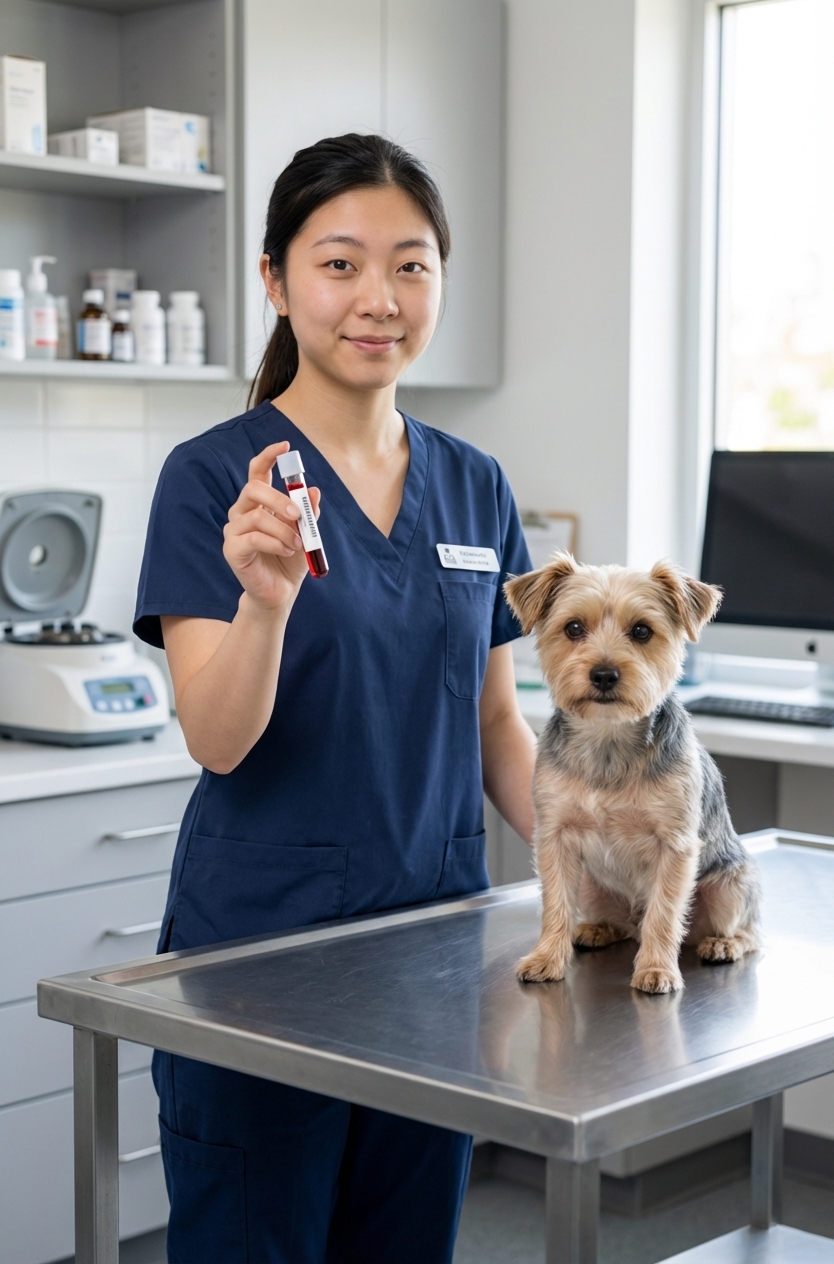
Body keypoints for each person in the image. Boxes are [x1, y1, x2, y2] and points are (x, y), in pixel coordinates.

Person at [134, 132, 537, 1264]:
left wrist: (595, 868)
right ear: (277, 278)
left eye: (411, 265)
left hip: (432, 960)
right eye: (341, 262)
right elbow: (217, 739)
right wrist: (264, 602)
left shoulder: (475, 482)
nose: (380, 298)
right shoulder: (218, 477)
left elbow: (497, 721)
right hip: (264, 962)